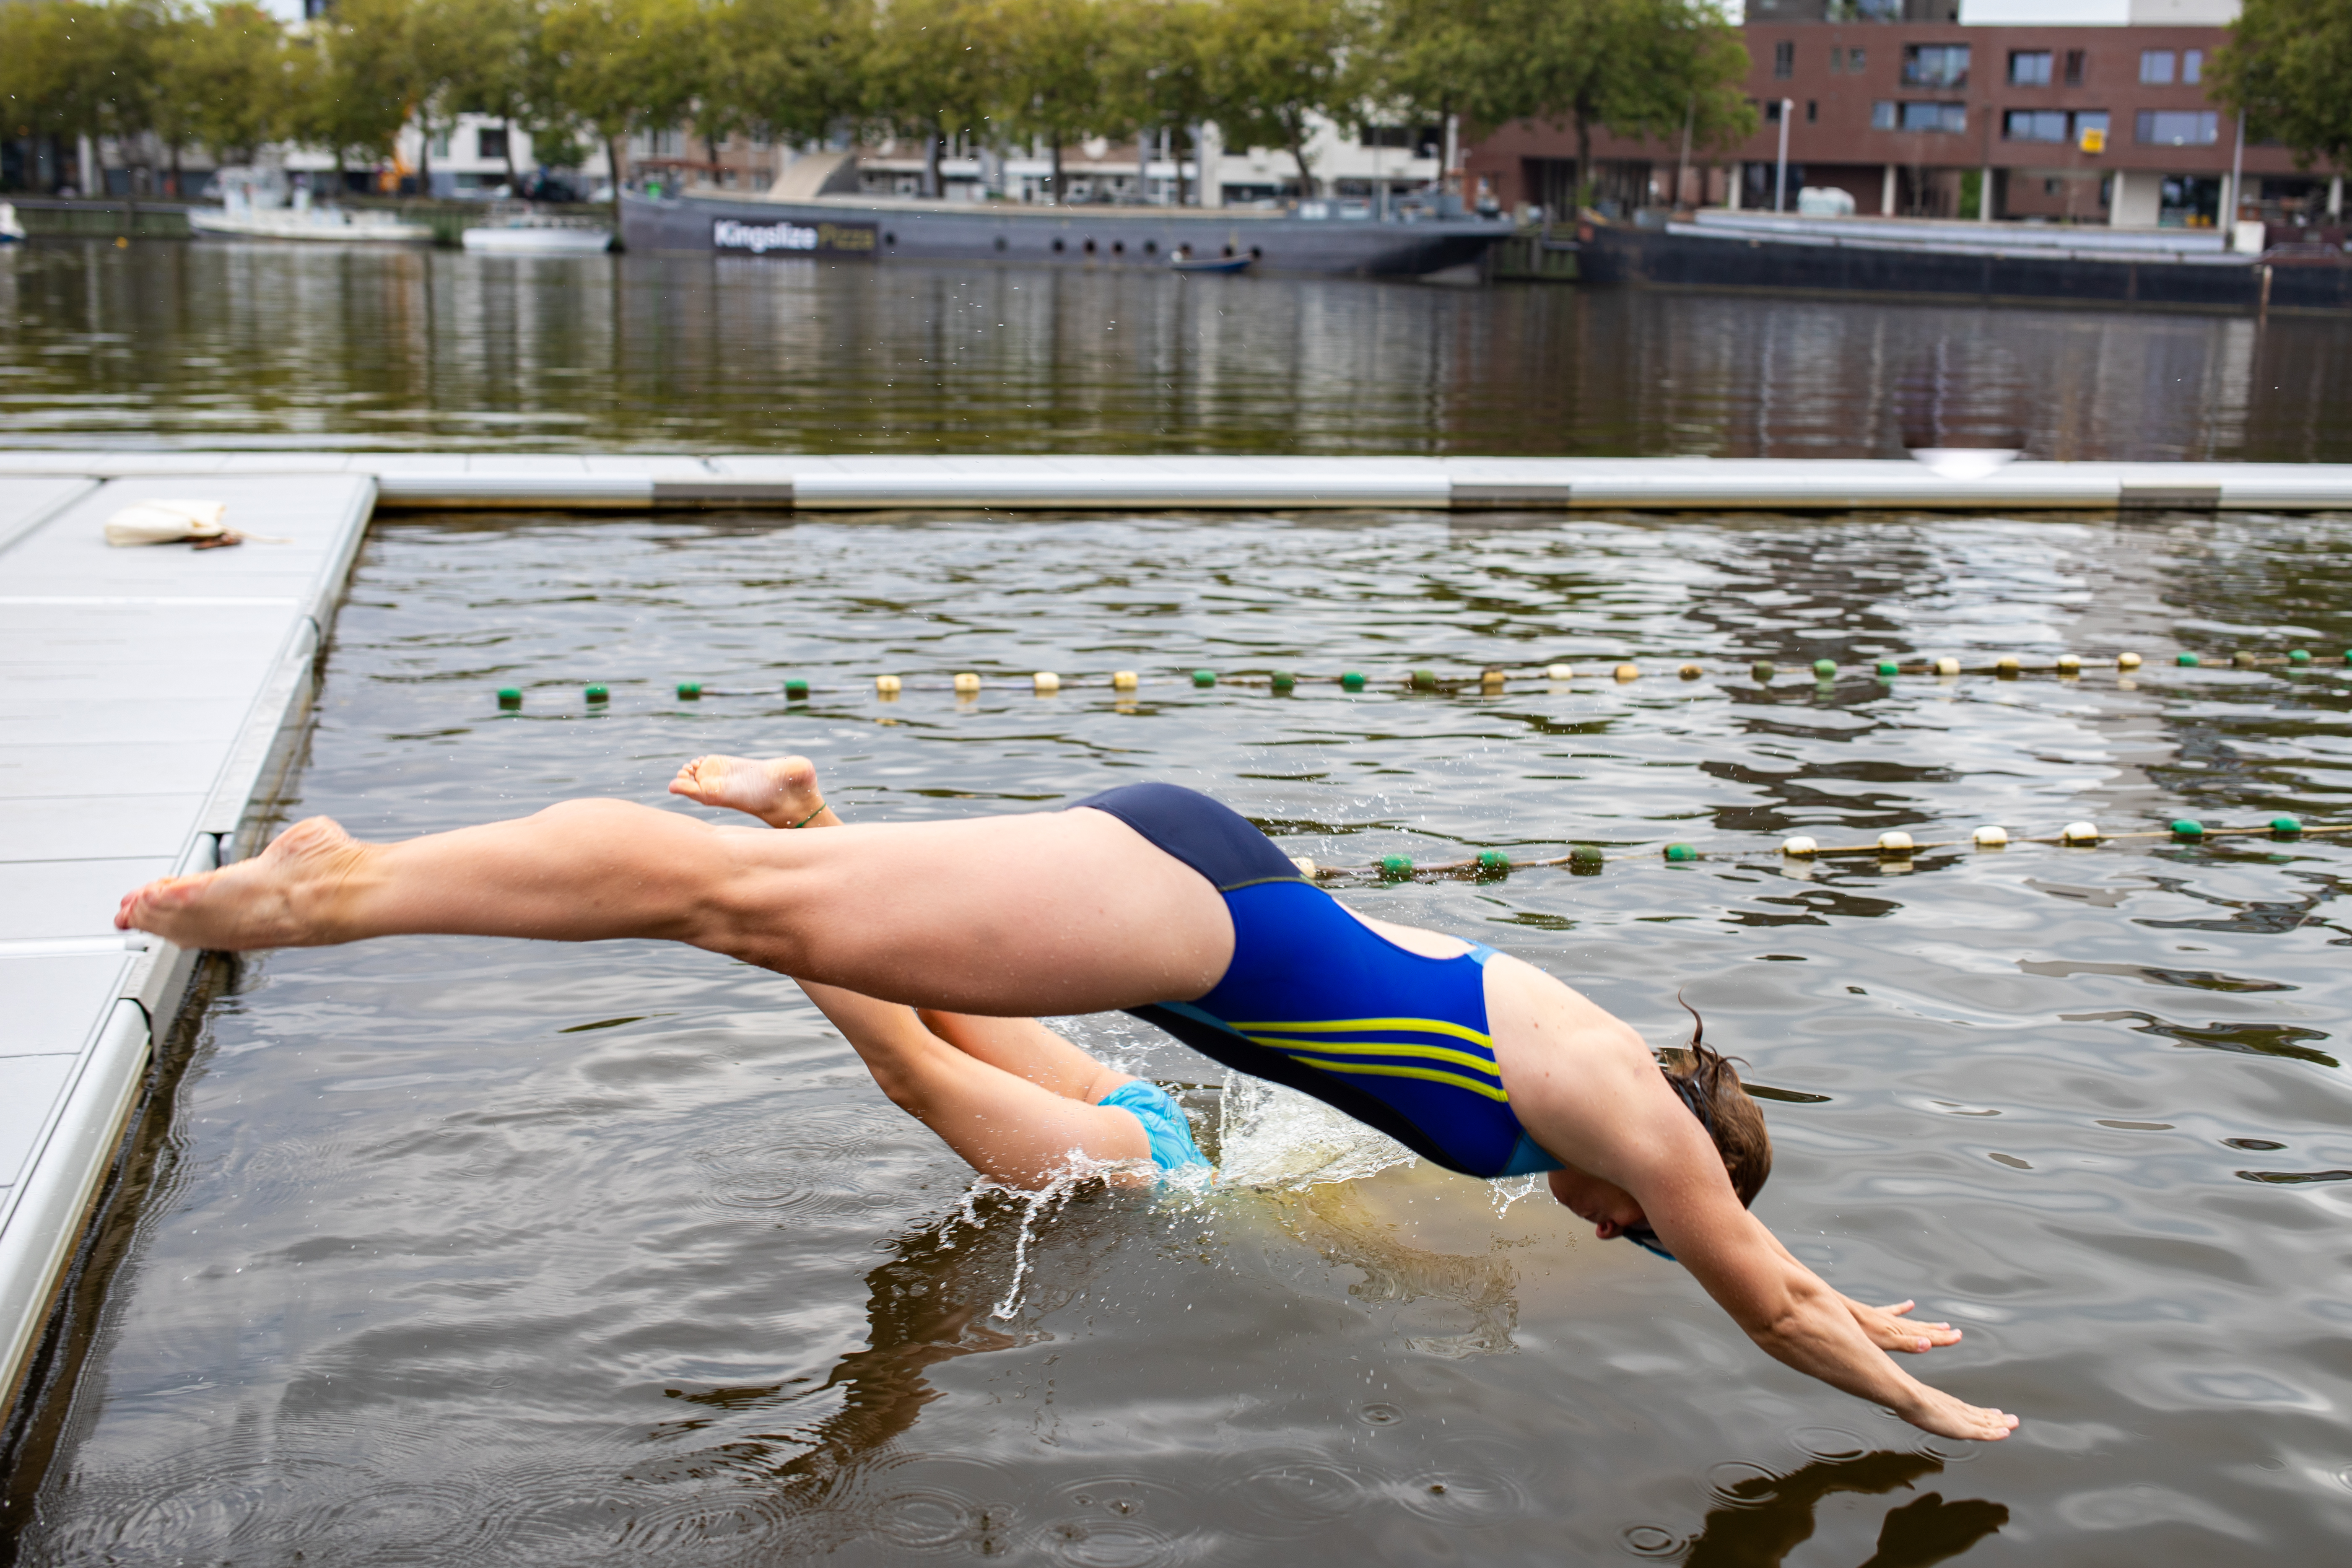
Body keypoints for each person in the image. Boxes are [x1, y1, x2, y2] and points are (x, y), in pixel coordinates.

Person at [114, 756, 2017, 1443]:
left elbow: (1762, 1262)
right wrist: (1924, 1398)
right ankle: (328, 892)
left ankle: (747, 814)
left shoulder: (1631, 1097)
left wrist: (1854, 1301)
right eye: (1652, 1214)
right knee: (736, 905)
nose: (1626, 1227)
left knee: (794, 922)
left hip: (1198, 897)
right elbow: (1748, 1284)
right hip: (1179, 916)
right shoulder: (1632, 1133)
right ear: (1659, 1176)